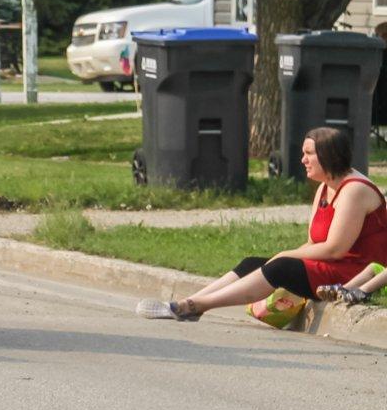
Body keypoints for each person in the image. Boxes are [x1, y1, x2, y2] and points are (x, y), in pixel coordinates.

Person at [138, 126, 387, 321]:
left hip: (354, 272)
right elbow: (313, 242)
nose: (302, 160)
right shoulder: (325, 186)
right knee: (252, 264)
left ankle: (195, 307)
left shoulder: (354, 190)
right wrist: (285, 257)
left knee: (279, 268)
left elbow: (335, 249)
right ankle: (189, 301)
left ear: (328, 156)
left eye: (309, 153)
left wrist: (283, 256)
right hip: (330, 265)